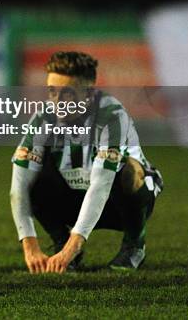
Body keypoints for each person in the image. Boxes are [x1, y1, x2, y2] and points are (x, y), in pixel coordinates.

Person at [10, 51, 163, 274]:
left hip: (116, 201)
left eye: (67, 94)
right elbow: (19, 185)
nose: (58, 102)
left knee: (130, 170)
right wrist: (29, 244)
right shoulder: (43, 118)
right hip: (74, 196)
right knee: (31, 174)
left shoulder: (111, 115)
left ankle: (134, 247)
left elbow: (101, 184)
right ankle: (60, 241)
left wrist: (76, 243)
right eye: (52, 91)